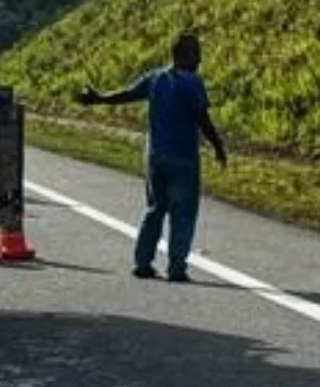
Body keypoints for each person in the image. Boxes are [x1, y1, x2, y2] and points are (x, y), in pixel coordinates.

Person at [77, 32, 227, 283]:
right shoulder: (192, 83)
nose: (199, 59)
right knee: (183, 213)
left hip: (155, 156)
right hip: (183, 158)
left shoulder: (155, 79)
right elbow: (203, 119)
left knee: (155, 209)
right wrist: (218, 146)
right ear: (183, 55)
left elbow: (126, 94)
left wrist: (98, 99)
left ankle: (143, 262)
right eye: (195, 53)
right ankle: (176, 268)